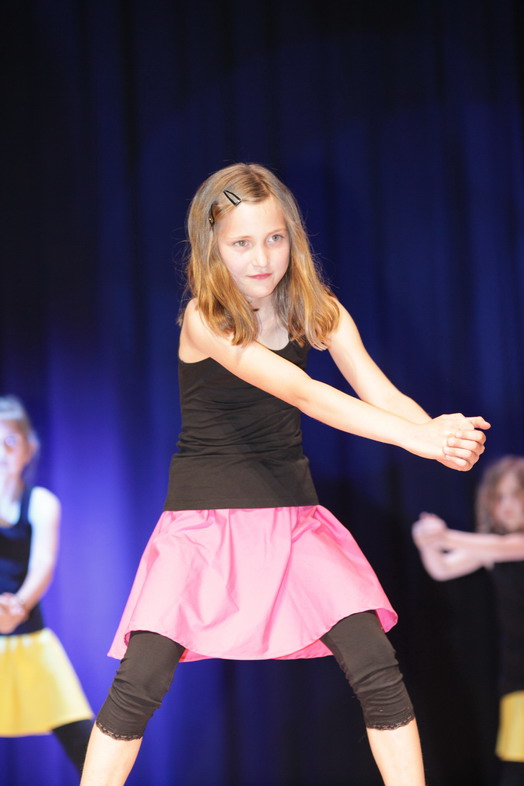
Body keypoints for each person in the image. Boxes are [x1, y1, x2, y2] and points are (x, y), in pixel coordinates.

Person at [81, 163, 489, 786]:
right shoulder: (205, 318)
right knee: (142, 680)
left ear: (292, 237)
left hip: (294, 518)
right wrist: (418, 437)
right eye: (241, 242)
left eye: (274, 238)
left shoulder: (317, 310)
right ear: (212, 247)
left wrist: (437, 435)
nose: (261, 257)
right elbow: (303, 393)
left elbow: (378, 391)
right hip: (204, 525)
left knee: (376, 667)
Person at [412, 456, 524, 786]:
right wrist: (426, 543)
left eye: (516, 495)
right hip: (518, 674)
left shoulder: (505, 546)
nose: (507, 505)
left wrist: (442, 536)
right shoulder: (490, 548)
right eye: (499, 497)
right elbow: (442, 569)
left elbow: (507, 546)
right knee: (517, 768)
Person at [0, 396, 93, 775]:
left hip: (29, 640)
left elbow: (43, 565)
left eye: (9, 442)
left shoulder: (41, 502)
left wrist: (17, 607)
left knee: (84, 744)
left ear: (28, 449)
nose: (1, 453)